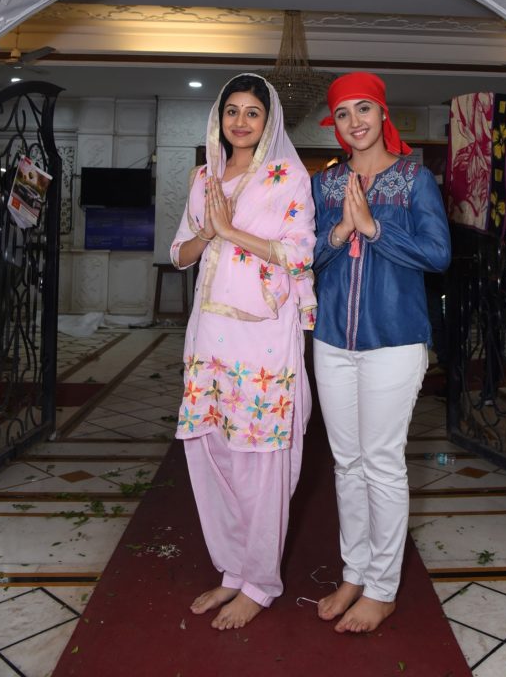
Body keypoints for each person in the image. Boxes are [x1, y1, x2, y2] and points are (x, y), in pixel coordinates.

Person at [170, 73, 316, 631]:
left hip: (263, 336)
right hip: (209, 334)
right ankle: (233, 570)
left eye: (252, 112)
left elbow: (298, 255)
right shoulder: (203, 176)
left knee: (260, 461)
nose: (240, 121)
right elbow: (181, 254)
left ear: (269, 120)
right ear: (219, 118)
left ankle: (260, 582)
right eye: (231, 110)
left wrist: (229, 229)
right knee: (213, 455)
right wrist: (209, 233)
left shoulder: (289, 178)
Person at [311, 72, 451, 634]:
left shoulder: (415, 180)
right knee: (346, 463)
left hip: (395, 340)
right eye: (343, 115)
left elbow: (439, 254)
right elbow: (308, 258)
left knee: (382, 462)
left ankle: (383, 587)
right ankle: (354, 572)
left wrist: (372, 227)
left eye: (363, 109)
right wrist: (340, 233)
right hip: (330, 342)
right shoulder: (327, 185)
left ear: (382, 112)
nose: (354, 123)